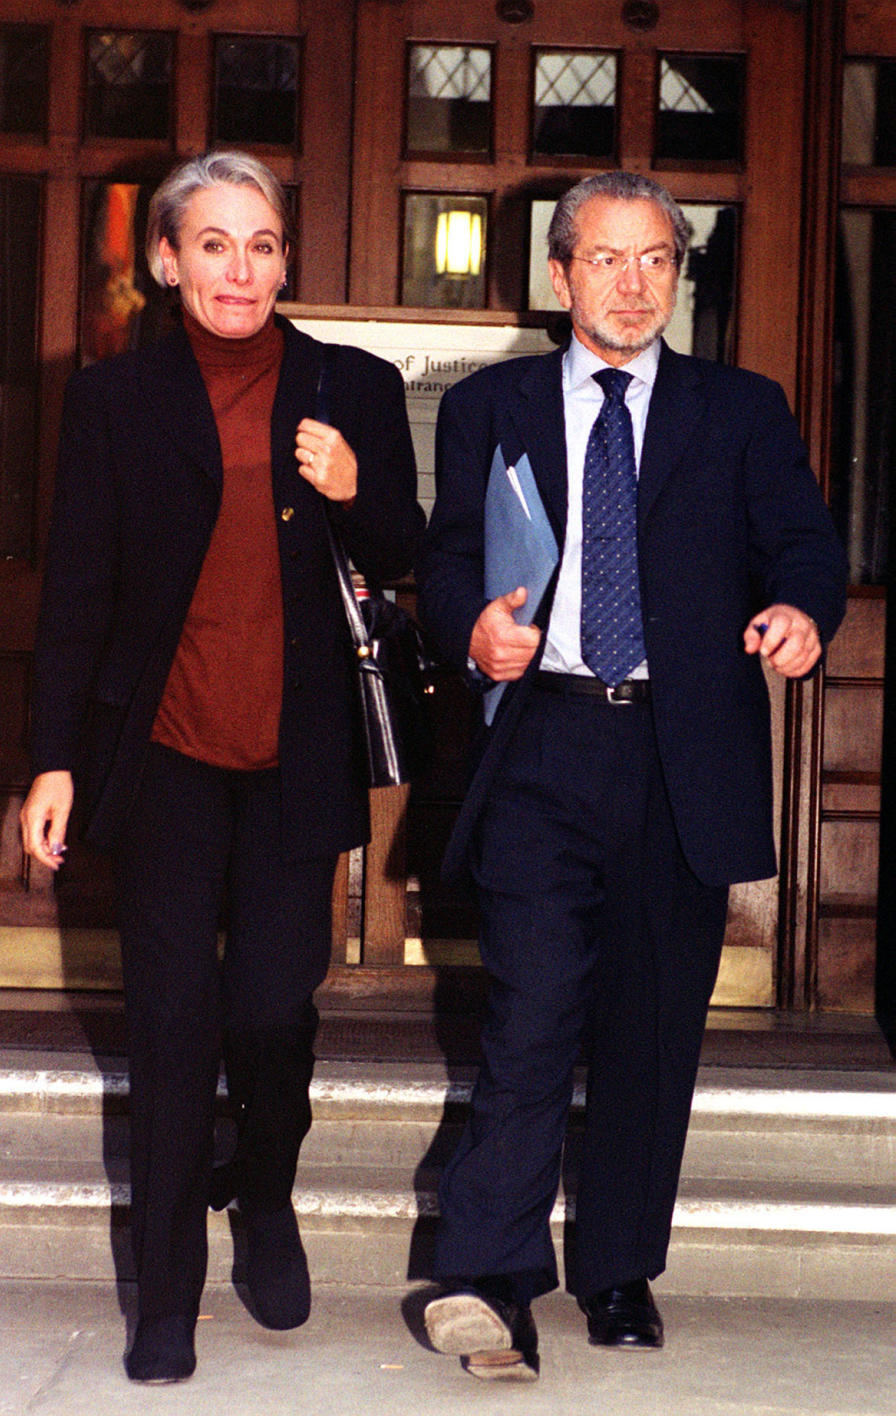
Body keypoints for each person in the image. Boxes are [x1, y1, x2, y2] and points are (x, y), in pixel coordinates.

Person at [416, 171, 846, 1381]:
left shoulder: (741, 409)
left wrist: (803, 610)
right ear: (560, 277)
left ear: (678, 274)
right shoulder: (489, 406)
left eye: (657, 258)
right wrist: (473, 629)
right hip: (545, 745)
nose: (634, 282)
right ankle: (492, 1276)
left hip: (682, 757)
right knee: (531, 1009)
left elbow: (804, 541)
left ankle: (615, 1272)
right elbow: (450, 560)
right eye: (607, 259)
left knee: (652, 1032)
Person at [19, 150, 424, 1384]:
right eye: (213, 244)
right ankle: (167, 1302)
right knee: (171, 1018)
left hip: (297, 758)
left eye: (261, 245)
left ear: (284, 261)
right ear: (167, 261)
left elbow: (409, 548)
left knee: (268, 1010)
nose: (238, 268)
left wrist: (357, 493)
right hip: (165, 756)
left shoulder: (350, 383)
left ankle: (262, 1192)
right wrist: (53, 763)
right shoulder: (113, 401)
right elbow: (76, 591)